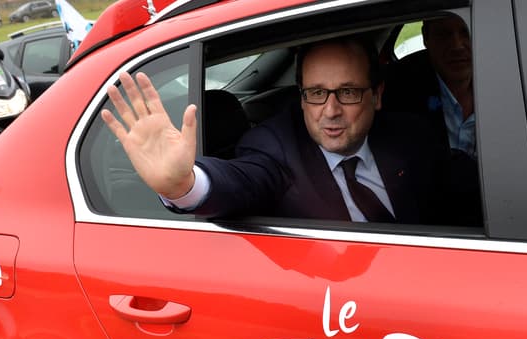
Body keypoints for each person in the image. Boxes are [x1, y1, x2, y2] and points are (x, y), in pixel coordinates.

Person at [101, 36, 481, 225]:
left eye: (347, 92)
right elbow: (241, 180)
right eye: (316, 93)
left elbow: (476, 190)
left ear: (377, 95)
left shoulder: (411, 136)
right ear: (301, 98)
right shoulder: (275, 147)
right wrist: (183, 184)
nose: (330, 111)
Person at [383, 15, 475, 157]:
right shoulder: (400, 95)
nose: (457, 45)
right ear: (426, 37)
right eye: (444, 34)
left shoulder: (507, 81)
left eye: (466, 32)